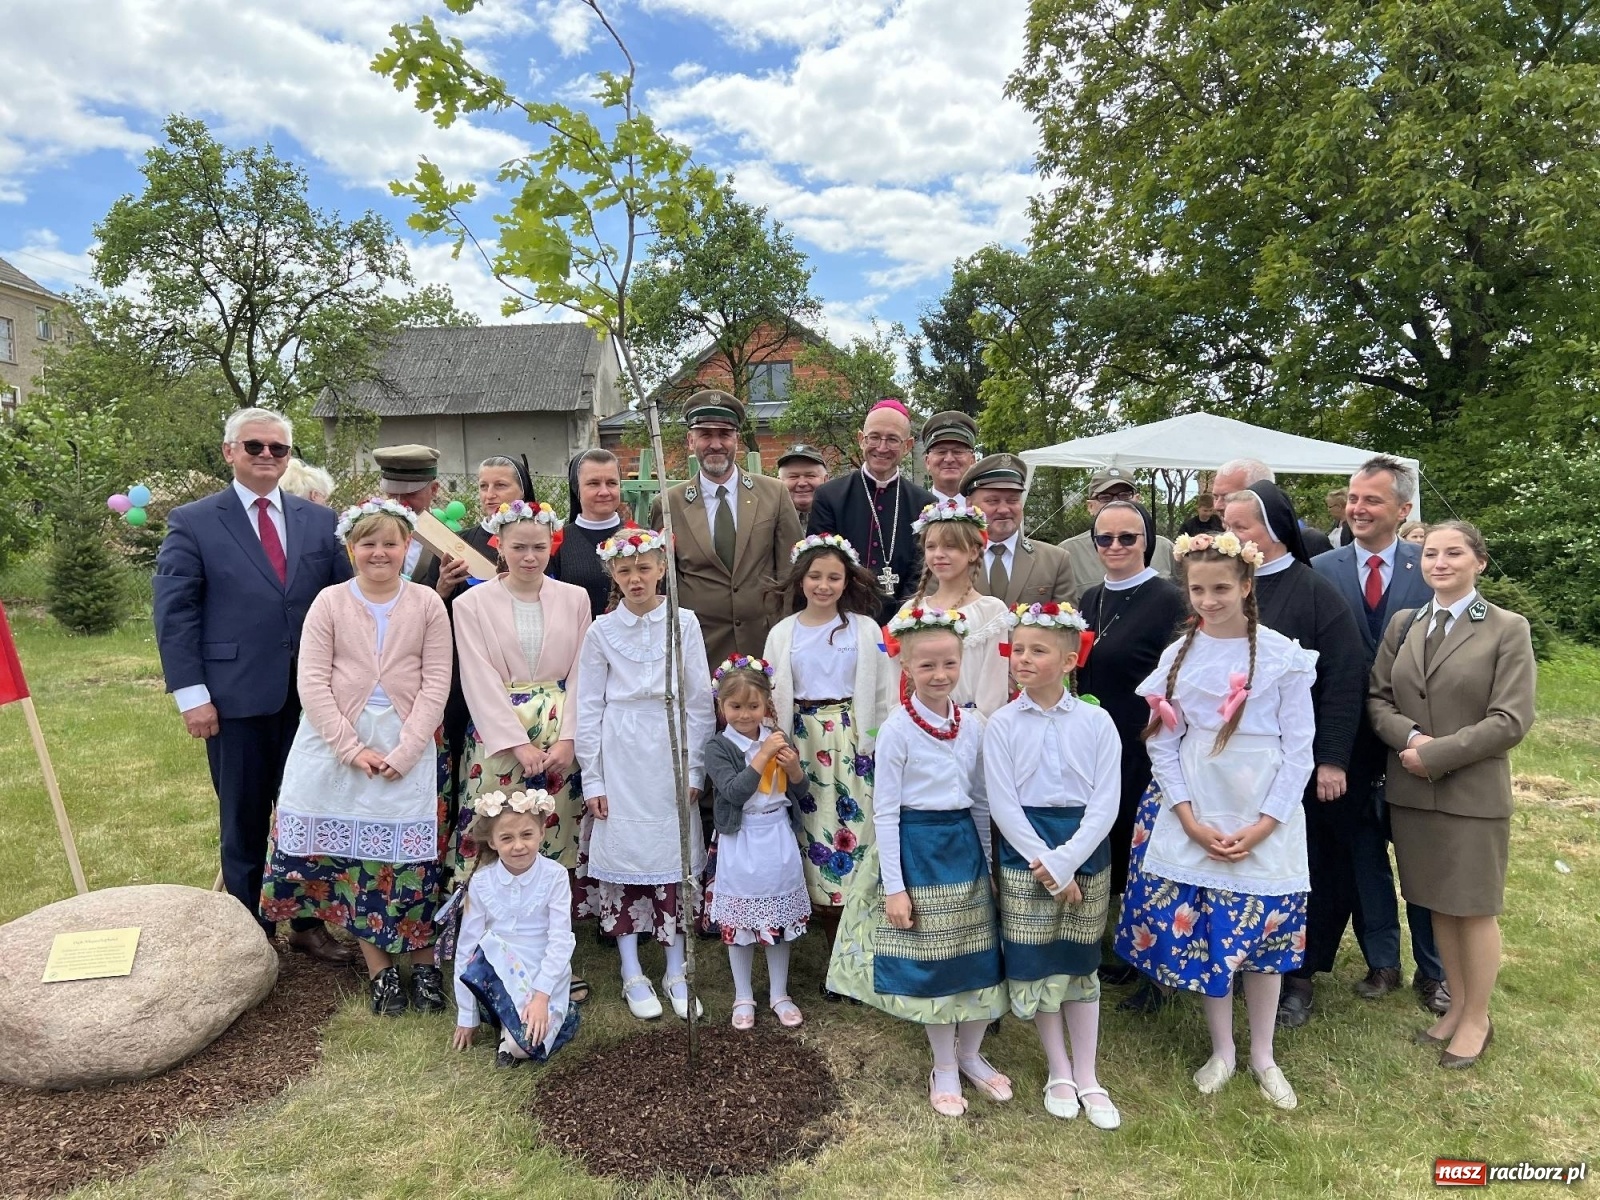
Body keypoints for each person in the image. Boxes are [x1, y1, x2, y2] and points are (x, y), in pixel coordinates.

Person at [1115, 532, 1315, 1110]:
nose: (1208, 599)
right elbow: (1164, 744)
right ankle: (1222, 1048)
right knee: (1212, 934)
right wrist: (1187, 817)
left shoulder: (1281, 656)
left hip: (1261, 808)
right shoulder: (1179, 656)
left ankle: (1263, 1053)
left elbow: (1299, 748)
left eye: (1221, 588)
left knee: (1263, 936)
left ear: (1247, 586)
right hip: (1199, 805)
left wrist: (1267, 823)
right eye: (1198, 589)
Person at [153, 407, 356, 963]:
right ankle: (249, 937)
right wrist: (193, 697)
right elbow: (176, 615)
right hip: (232, 698)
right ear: (229, 452)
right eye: (255, 447)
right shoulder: (193, 521)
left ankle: (309, 924)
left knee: (309, 814)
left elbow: (351, 601)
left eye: (278, 449)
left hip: (313, 701)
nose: (267, 457)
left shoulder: (319, 522)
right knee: (242, 820)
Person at [261, 498, 453, 1013]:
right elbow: (312, 681)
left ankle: (427, 965)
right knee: (360, 865)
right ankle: (381, 971)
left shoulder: (427, 604)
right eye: (368, 543)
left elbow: (436, 680)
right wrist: (350, 746)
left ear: (407, 547)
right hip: (337, 745)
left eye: (390, 542)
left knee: (411, 862)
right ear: (351, 548)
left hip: (409, 743)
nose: (379, 552)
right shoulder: (329, 603)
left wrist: (410, 748)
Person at [825, 606, 1009, 1118]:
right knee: (935, 962)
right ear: (905, 666)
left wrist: (990, 867)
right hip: (919, 847)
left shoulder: (972, 724)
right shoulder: (898, 730)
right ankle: (943, 1063)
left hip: (964, 851)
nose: (940, 675)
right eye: (927, 666)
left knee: (977, 955)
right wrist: (895, 887)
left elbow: (979, 802)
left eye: (949, 664)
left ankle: (970, 1053)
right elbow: (885, 810)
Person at [1369, 521, 1536, 1069]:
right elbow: (1379, 698)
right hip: (1413, 791)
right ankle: (1455, 1006)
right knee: (1436, 901)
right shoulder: (1404, 622)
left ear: (1479, 562)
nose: (1439, 562)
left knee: (1474, 907)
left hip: (1470, 793)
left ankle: (1478, 1018)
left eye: (1454, 553)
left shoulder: (1506, 628)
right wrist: (1411, 740)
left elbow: (1511, 719)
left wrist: (1435, 754)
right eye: (1431, 553)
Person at [1300, 455, 1446, 1022]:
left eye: (1373, 500)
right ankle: (1382, 960)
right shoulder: (1322, 568)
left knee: (1422, 858)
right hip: (1344, 743)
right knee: (1362, 854)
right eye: (1353, 498)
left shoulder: (1428, 567)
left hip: (1413, 736)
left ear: (1404, 509)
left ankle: (1434, 971)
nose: (1358, 509)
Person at [1217, 482, 1367, 1026]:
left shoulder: (1314, 591)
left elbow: (1346, 677)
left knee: (1305, 867)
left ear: (1275, 531)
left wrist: (1332, 758)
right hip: (1234, 766)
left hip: (1297, 764)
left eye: (1244, 528)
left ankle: (1299, 975)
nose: (1233, 537)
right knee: (1242, 859)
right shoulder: (1227, 588)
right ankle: (1242, 962)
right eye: (1227, 527)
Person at [985, 601, 1123, 1128]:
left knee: (1079, 960)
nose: (1022, 659)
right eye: (1017, 649)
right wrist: (1043, 862)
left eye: (1037, 651)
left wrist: (1068, 861)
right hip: (1026, 851)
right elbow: (1004, 804)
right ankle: (1058, 1068)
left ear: (1069, 661)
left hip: (1084, 847)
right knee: (1042, 960)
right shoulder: (1002, 723)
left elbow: (1106, 801)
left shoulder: (1096, 720)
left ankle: (1088, 1074)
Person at [573, 528, 716, 1021]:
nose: (635, 578)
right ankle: (632, 969)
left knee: (673, 855)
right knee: (626, 858)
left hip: (669, 747)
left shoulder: (685, 624)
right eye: (625, 570)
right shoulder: (601, 631)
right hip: (621, 751)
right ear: (612, 574)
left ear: (661, 569)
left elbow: (699, 700)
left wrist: (695, 765)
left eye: (644, 568)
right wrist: (593, 778)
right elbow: (588, 708)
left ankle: (676, 969)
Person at [764, 534, 896, 974]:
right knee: (813, 835)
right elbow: (772, 697)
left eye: (833, 577)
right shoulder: (783, 633)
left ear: (847, 582)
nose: (823, 585)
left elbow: (882, 692)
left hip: (850, 739)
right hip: (801, 744)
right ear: (801, 579)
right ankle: (831, 943)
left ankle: (865, 945)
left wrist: (878, 744)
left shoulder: (865, 628)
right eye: (815, 576)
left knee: (857, 834)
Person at [1073, 500, 1187, 987]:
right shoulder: (1086, 598)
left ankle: (1146, 949)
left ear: (1149, 542)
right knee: (1105, 834)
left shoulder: (1170, 600)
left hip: (1146, 744)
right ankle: (1111, 934)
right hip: (1094, 742)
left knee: (1140, 841)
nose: (1115, 547)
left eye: (1128, 538)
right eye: (1105, 539)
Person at [452, 500, 591, 884]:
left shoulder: (575, 598)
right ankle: (483, 900)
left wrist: (569, 738)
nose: (529, 557)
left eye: (539, 548)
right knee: (497, 818)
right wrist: (516, 744)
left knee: (553, 820)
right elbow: (478, 677)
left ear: (552, 546)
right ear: (499, 545)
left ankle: (551, 904)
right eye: (518, 547)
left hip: (558, 729)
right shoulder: (470, 604)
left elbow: (583, 671)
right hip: (499, 729)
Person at [650, 391, 802, 671]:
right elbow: (660, 582)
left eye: (724, 434)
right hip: (700, 651)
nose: (716, 444)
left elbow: (792, 572)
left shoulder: (774, 494)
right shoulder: (668, 504)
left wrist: (788, 633)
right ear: (691, 440)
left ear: (737, 440)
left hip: (765, 644)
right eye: (705, 434)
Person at [703, 656, 812, 1030]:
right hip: (742, 837)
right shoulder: (719, 747)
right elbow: (733, 792)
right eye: (735, 706)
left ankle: (779, 993)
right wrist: (762, 756)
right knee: (740, 922)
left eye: (753, 706)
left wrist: (795, 769)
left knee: (779, 919)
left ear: (767, 704)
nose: (745, 715)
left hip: (776, 834)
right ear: (722, 705)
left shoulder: (778, 739)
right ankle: (743, 994)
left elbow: (799, 787)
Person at [451, 789, 581, 1068]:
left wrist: (542, 995)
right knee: (521, 1041)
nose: (518, 845)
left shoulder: (555, 876)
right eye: (507, 838)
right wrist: (466, 1015)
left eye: (527, 835)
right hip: (498, 967)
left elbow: (560, 940)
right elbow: (466, 947)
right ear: (493, 842)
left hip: (542, 967)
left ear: (541, 833)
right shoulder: (482, 882)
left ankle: (558, 1014)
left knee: (525, 1047)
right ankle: (505, 1024)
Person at [807, 399, 935, 623]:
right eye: (874, 437)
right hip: (842, 619)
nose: (882, 447)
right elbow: (821, 563)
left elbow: (923, 569)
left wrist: (902, 620)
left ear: (908, 446)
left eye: (893, 439)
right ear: (860, 440)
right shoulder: (829, 496)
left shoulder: (925, 503)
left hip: (905, 622)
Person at [905, 497, 1010, 716]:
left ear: (972, 552)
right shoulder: (910, 611)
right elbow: (895, 679)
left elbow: (994, 689)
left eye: (950, 546)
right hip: (919, 725)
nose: (939, 554)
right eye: (931, 546)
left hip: (972, 728)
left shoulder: (991, 611)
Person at [961, 453, 1075, 608]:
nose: (1003, 509)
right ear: (969, 504)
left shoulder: (1055, 561)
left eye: (1012, 500)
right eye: (992, 501)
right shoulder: (948, 559)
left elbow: (1066, 629)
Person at [1060, 469, 1176, 603]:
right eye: (1105, 497)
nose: (1116, 502)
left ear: (1137, 500)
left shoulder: (1165, 549)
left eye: (1125, 495)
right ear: (1090, 506)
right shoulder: (1067, 554)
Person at [371, 445, 468, 596]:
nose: (399, 502)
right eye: (392, 494)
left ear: (434, 489)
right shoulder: (370, 533)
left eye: (410, 494)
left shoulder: (450, 540)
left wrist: (441, 591)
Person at [548, 448, 631, 620]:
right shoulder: (555, 542)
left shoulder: (641, 539)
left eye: (611, 483)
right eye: (593, 483)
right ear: (577, 488)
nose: (604, 491)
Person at [921, 410, 979, 502]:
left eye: (958, 452)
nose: (949, 459)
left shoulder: (987, 510)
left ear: (972, 461)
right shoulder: (912, 508)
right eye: (941, 452)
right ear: (927, 462)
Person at [776, 445, 829, 517]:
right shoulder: (765, 520)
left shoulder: (844, 517)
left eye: (810, 476)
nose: (802, 483)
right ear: (779, 483)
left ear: (825, 480)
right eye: (793, 477)